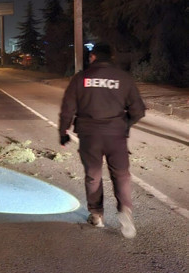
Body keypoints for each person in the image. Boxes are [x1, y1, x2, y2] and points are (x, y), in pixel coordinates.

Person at [59, 43, 145, 238]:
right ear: (112, 57)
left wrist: (62, 133)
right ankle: (125, 211)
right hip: (116, 135)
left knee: (93, 175)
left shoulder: (81, 78)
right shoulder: (124, 78)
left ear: (93, 57)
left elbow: (67, 109)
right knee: (121, 175)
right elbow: (138, 111)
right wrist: (125, 124)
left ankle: (97, 215)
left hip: (89, 135)